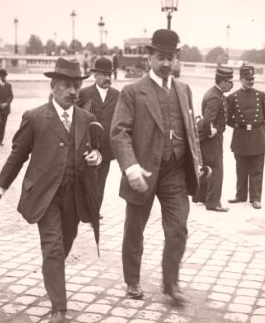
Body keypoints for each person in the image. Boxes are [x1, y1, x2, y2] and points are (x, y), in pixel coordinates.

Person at [0, 58, 102, 323]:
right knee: (53, 247)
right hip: (45, 196)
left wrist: (95, 157)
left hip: (74, 198)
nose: (73, 92)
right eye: (66, 86)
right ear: (53, 86)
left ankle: (52, 273)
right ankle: (58, 307)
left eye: (77, 86)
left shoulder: (87, 119)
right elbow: (18, 156)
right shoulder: (35, 117)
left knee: (64, 244)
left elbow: (97, 151)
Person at [110, 29, 202, 306]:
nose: (166, 63)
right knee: (134, 229)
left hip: (175, 171)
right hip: (143, 172)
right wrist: (130, 167)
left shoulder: (184, 90)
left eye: (170, 57)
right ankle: (133, 280)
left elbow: (190, 131)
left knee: (178, 228)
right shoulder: (132, 92)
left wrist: (199, 162)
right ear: (149, 58)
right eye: (160, 57)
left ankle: (170, 282)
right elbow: (119, 132)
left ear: (176, 59)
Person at [77, 57, 120, 217]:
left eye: (109, 74)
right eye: (103, 74)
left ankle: (95, 210)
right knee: (88, 179)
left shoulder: (117, 95)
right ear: (95, 75)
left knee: (101, 181)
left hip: (107, 147)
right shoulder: (85, 93)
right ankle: (84, 207)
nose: (108, 78)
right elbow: (75, 115)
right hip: (88, 147)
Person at [226, 66, 265, 209]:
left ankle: (256, 198)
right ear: (241, 79)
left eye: (252, 79)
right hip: (240, 136)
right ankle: (240, 195)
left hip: (257, 137)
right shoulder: (233, 97)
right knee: (240, 168)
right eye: (247, 79)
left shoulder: (261, 95)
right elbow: (228, 118)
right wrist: (240, 126)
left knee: (256, 170)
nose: (250, 82)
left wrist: (259, 128)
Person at [193, 67, 234, 212]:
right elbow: (207, 120)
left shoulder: (217, 93)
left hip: (211, 138)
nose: (231, 85)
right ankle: (213, 203)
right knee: (216, 169)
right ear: (223, 82)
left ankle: (203, 197)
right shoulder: (215, 96)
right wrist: (213, 131)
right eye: (230, 82)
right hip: (212, 139)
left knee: (208, 168)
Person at [0, 69, 14, 146]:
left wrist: (6, 103)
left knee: (3, 124)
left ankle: (0, 140)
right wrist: (0, 104)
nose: (4, 77)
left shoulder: (9, 85)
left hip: (6, 109)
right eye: (2, 76)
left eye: (4, 76)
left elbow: (11, 96)